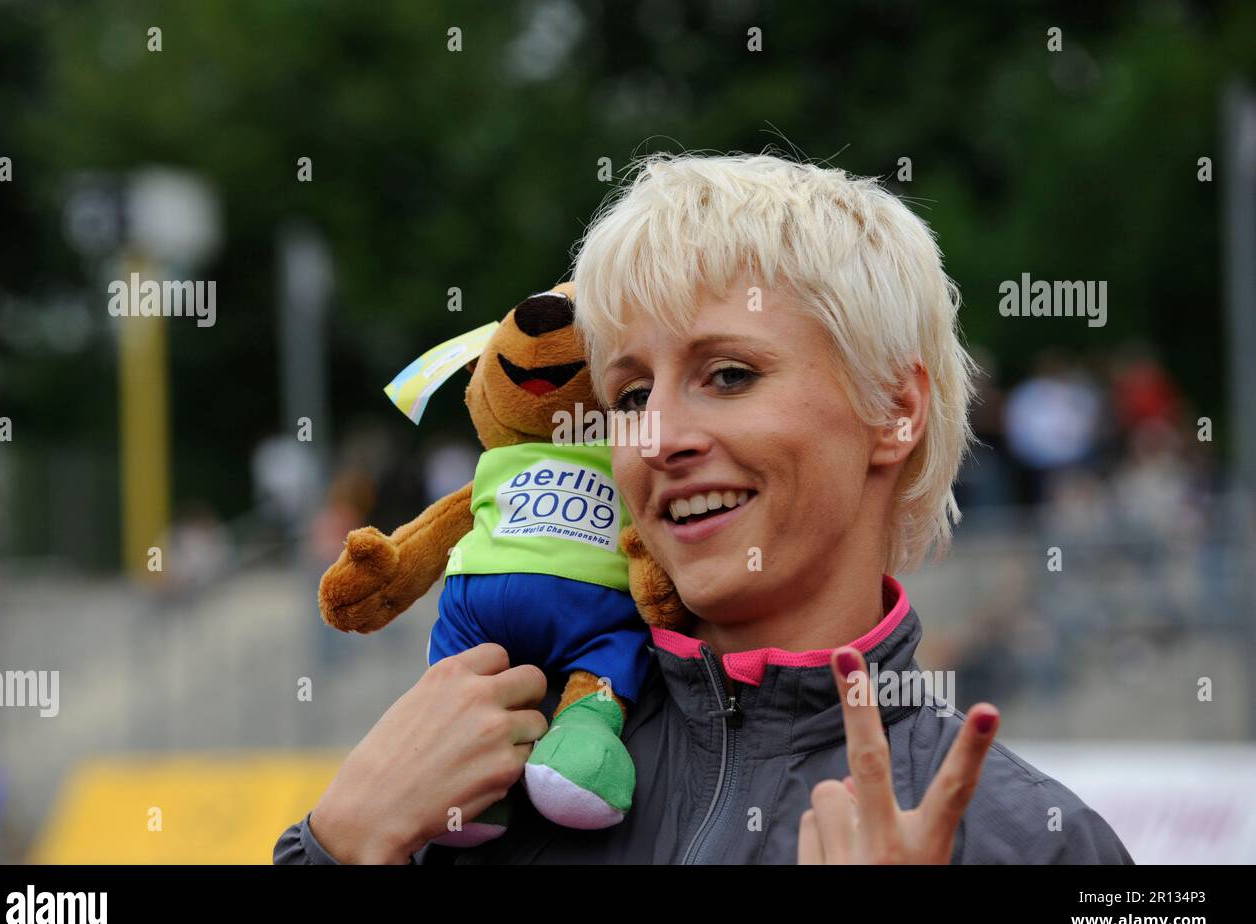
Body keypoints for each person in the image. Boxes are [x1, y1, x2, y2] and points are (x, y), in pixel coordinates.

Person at [274, 151, 1132, 864]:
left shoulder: (1040, 844)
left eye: (729, 375)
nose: (658, 438)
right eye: (633, 392)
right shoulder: (486, 774)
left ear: (894, 409)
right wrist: (336, 843)